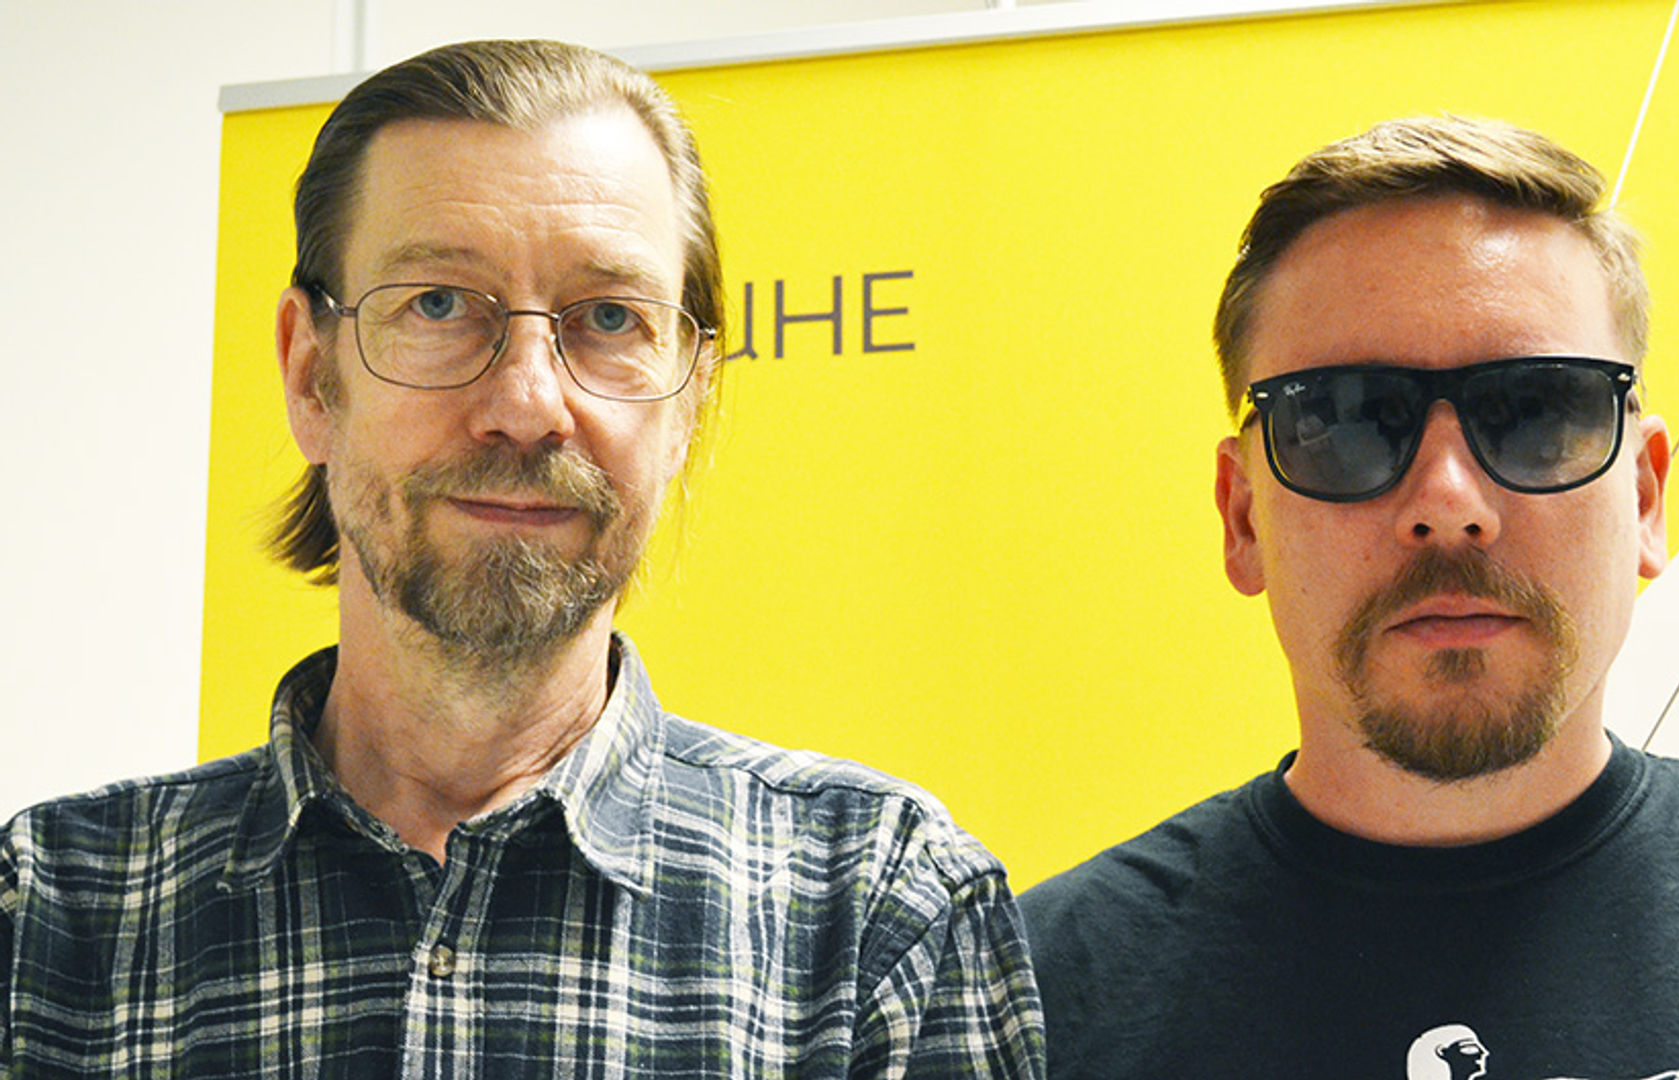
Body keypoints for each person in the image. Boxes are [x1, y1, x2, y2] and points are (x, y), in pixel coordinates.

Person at [0, 40, 1042, 1078]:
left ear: (690, 403)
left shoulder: (879, 918)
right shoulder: (51, 918)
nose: (529, 404)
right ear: (312, 377)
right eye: (439, 305)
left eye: (609, 319)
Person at [1020, 115, 1679, 1078]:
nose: (1449, 504)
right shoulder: (1035, 1002)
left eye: (1537, 412)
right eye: (1347, 422)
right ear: (1243, 518)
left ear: (1646, 499)